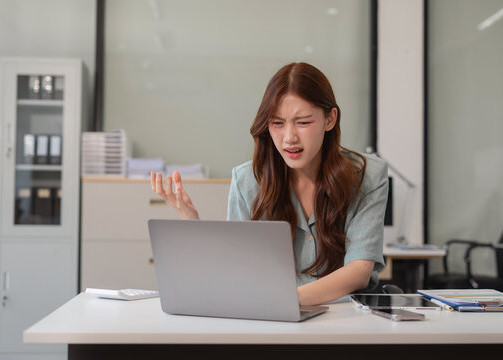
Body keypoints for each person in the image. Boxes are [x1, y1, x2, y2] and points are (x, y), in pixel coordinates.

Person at [151, 62, 388, 306]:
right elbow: (236, 269)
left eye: (303, 122)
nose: (289, 137)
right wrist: (193, 227)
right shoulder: (246, 181)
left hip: (345, 318)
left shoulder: (368, 176)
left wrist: (286, 300)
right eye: (277, 123)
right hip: (273, 318)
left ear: (330, 119)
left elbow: (359, 270)